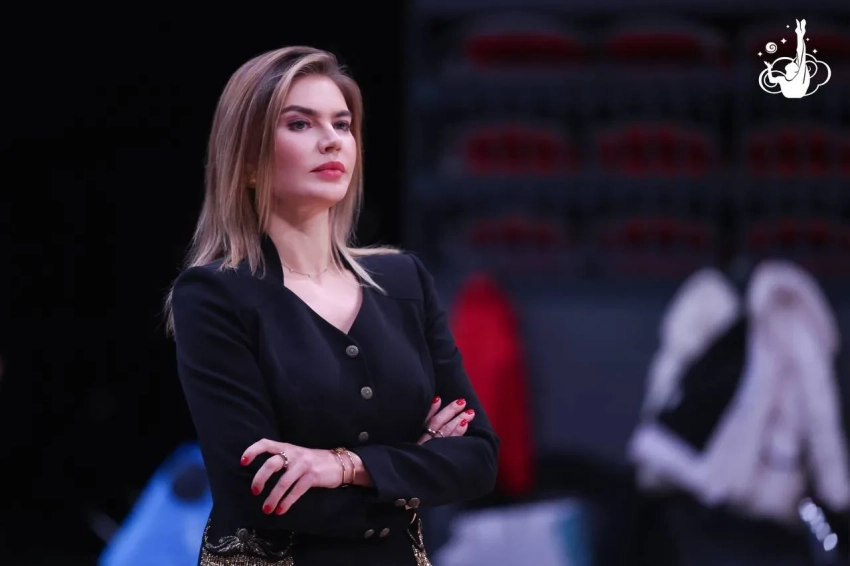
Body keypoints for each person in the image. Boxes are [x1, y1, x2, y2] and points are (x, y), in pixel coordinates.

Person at [164, 45, 500, 566]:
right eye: (300, 124)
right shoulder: (214, 295)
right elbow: (259, 491)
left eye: (342, 125)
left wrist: (342, 466)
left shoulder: (404, 280)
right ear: (248, 160)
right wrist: (412, 467)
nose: (331, 140)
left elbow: (477, 459)